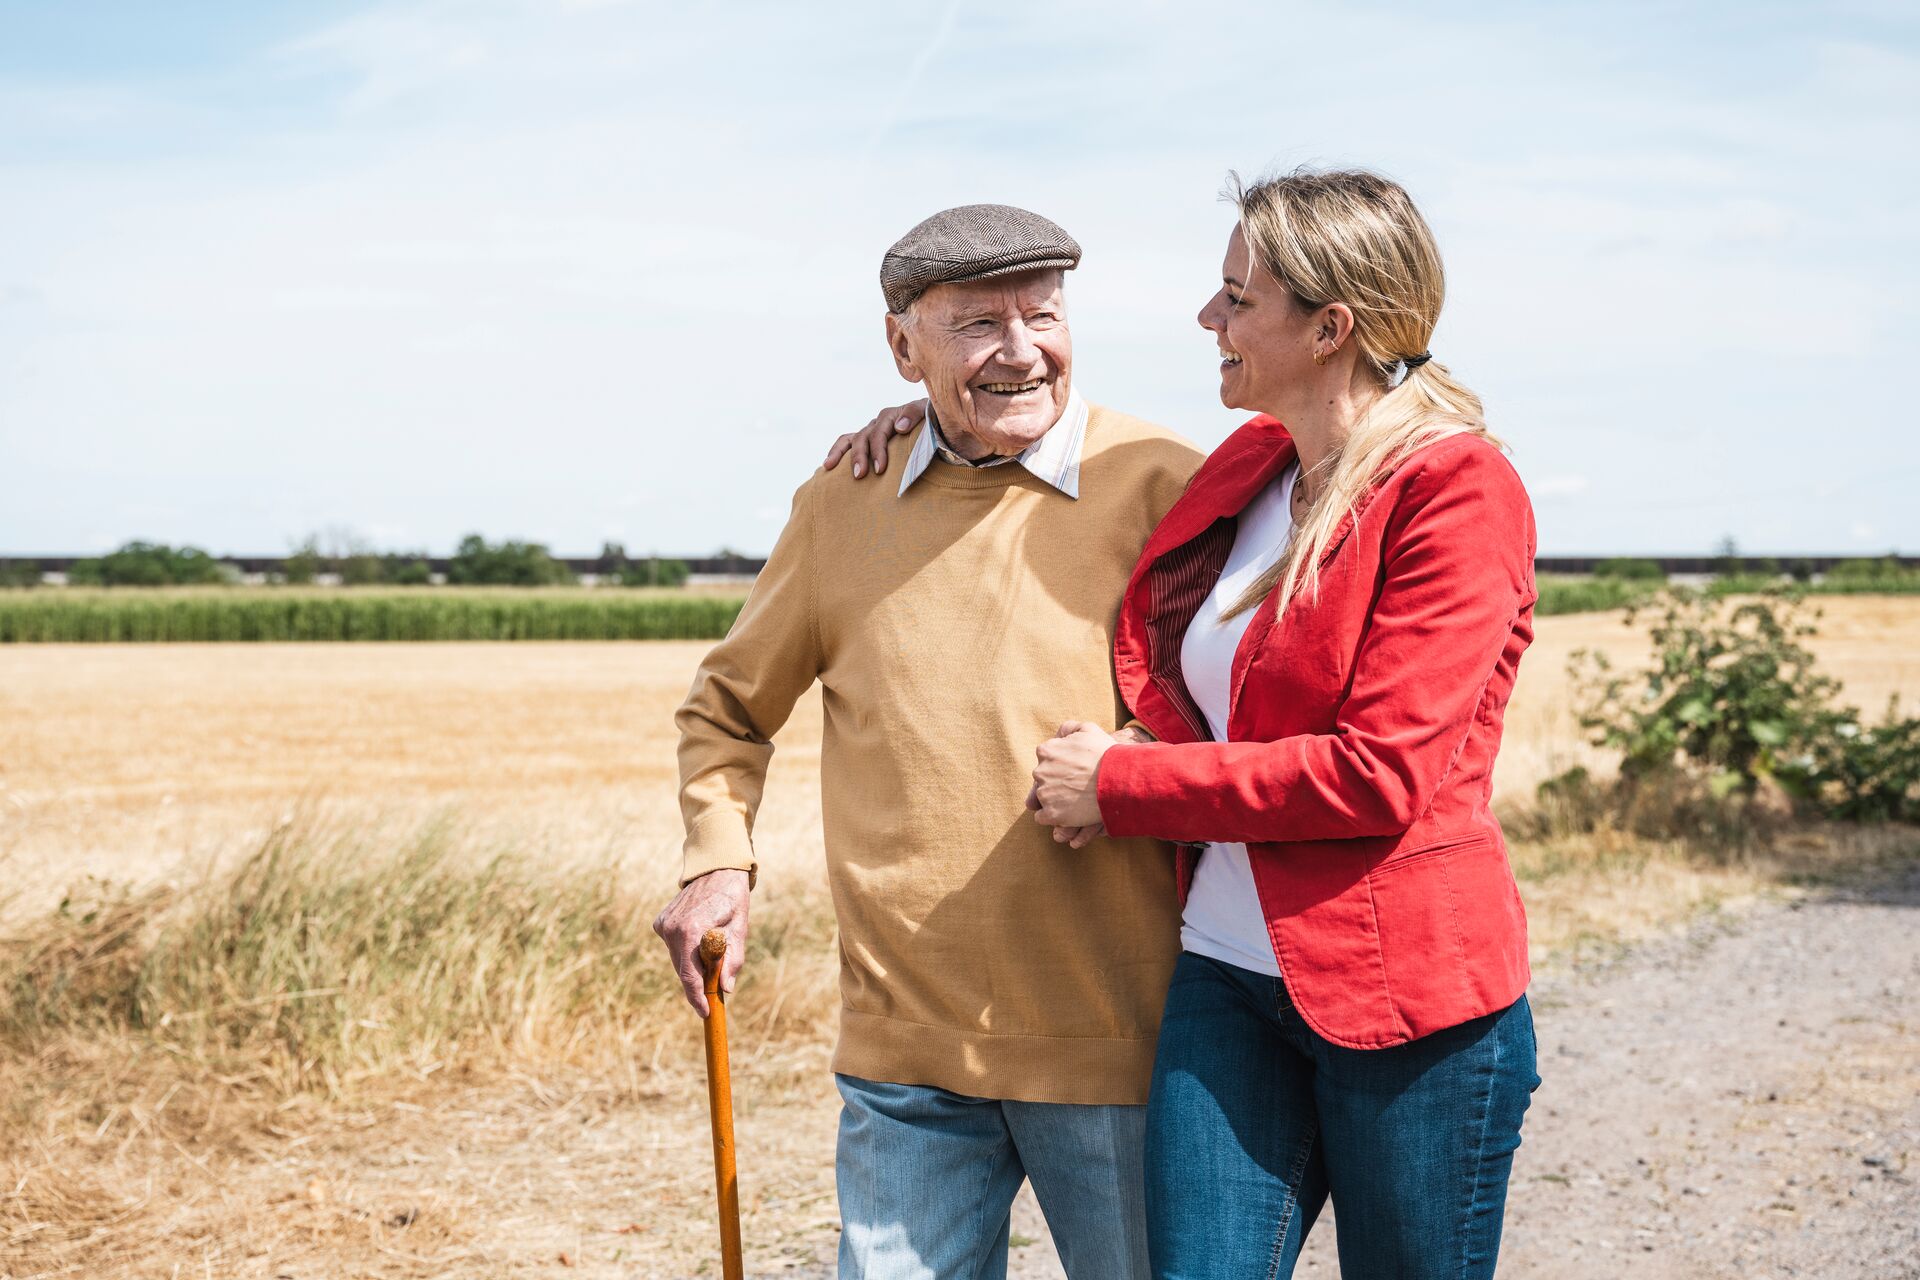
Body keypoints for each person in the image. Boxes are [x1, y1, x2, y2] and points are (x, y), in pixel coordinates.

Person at [832, 169, 1540, 1279]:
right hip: (1220, 983)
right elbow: (1029, 452)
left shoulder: (1456, 490)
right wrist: (923, 410)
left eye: (1234, 298)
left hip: (1405, 1003)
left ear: (1329, 326)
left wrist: (1121, 785)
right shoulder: (1250, 468)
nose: (1208, 319)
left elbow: (1379, 773)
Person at [655, 202, 1204, 1280]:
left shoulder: (1167, 481)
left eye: (1041, 313)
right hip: (906, 1050)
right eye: (976, 324)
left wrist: (1134, 765)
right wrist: (718, 856)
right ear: (902, 344)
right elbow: (727, 705)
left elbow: (1252, 704)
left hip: (1115, 1034)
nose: (1019, 349)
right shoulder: (843, 500)